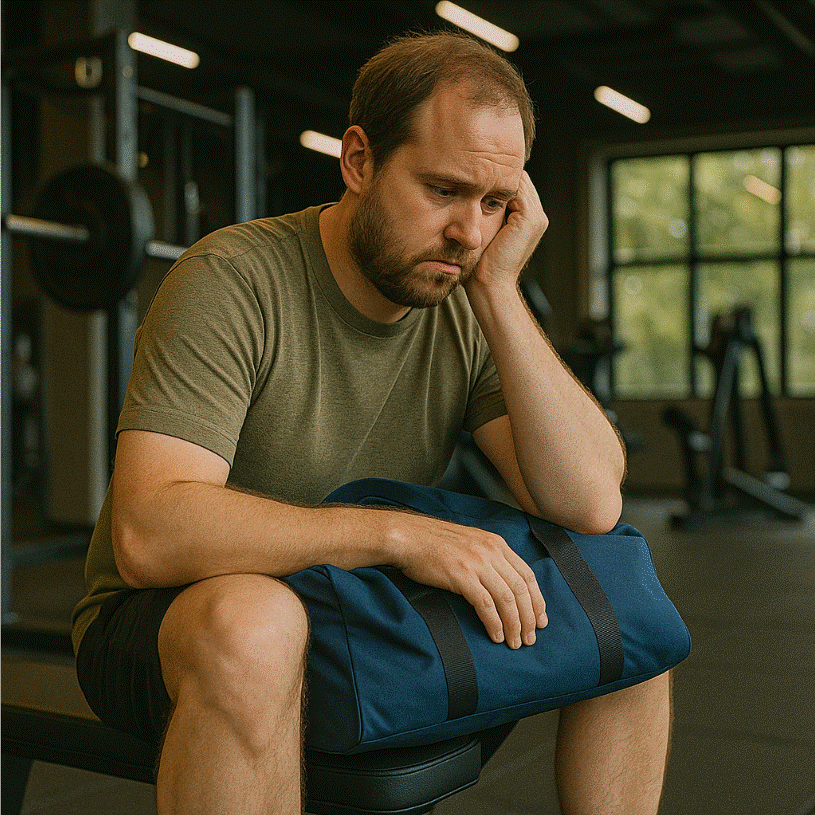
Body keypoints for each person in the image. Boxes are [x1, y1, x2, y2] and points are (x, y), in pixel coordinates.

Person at [72, 31, 672, 815]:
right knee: (257, 620)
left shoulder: (463, 293)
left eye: (494, 203)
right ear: (358, 160)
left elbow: (590, 503)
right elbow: (148, 534)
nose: (468, 231)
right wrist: (396, 534)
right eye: (443, 190)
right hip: (170, 619)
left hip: (352, 604)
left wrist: (497, 291)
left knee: (629, 617)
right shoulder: (232, 278)